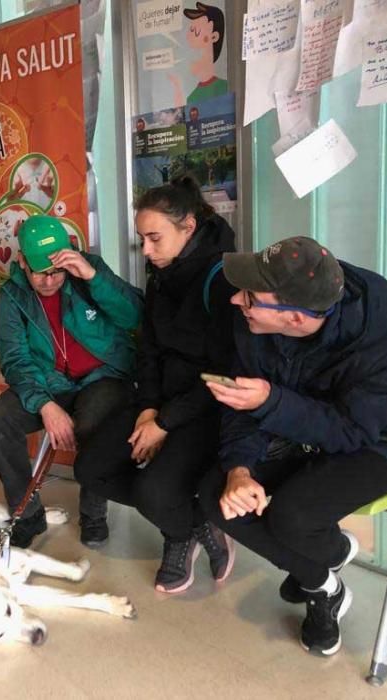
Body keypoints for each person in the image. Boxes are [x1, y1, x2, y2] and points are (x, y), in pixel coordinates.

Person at [198, 236, 387, 656]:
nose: (235, 301)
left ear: (295, 318)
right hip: (308, 428)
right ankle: (323, 582)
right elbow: (245, 401)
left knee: (293, 516)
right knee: (215, 493)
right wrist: (240, 470)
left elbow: (352, 431)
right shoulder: (259, 320)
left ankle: (322, 560)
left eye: (249, 297)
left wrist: (271, 401)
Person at [74, 177, 237, 593]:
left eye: (154, 238)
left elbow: (228, 376)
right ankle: (190, 525)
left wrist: (164, 421)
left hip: (209, 407)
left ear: (188, 226)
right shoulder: (163, 272)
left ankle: (180, 528)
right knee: (91, 469)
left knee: (153, 491)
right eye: (141, 239)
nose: (146, 250)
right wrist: (148, 409)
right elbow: (148, 350)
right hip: (160, 402)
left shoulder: (224, 279)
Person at [0, 215, 142, 549]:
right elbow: (14, 358)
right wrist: (45, 404)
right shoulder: (13, 296)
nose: (49, 280)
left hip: (103, 375)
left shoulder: (90, 270)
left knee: (96, 420)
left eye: (56, 270)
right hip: (49, 382)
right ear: (23, 261)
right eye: (40, 271)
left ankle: (94, 513)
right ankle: (27, 515)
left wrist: (93, 277)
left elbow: (136, 316)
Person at [168, 3, 228, 107]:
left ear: (213, 37)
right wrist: (177, 89)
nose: (188, 38)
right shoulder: (192, 97)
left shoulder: (225, 87)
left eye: (195, 31)